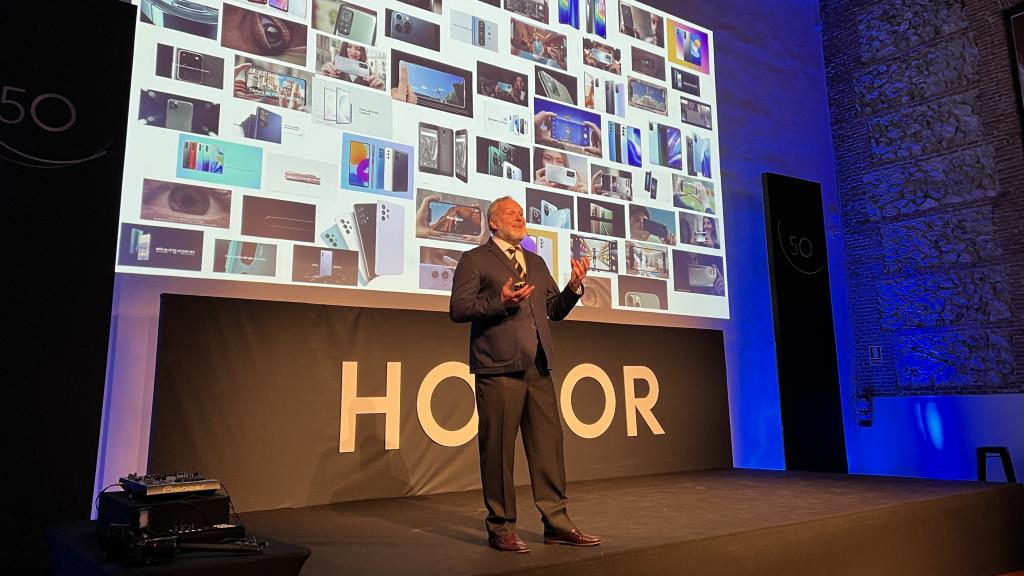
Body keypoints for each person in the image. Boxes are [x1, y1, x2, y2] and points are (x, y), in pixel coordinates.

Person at [449, 196, 601, 553]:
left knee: (548, 448)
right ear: (493, 223)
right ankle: (501, 528)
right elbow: (458, 308)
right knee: (498, 451)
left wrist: (573, 288)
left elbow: (553, 310)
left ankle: (557, 524)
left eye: (520, 213)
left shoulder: (534, 261)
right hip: (497, 367)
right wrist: (500, 302)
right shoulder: (474, 260)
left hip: (538, 366)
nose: (519, 217)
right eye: (510, 213)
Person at [320, 42, 385, 90]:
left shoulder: (367, 70)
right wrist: (323, 78)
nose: (353, 52)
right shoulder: (335, 67)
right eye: (349, 46)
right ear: (344, 47)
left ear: (362, 51)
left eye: (358, 49)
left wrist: (380, 90)